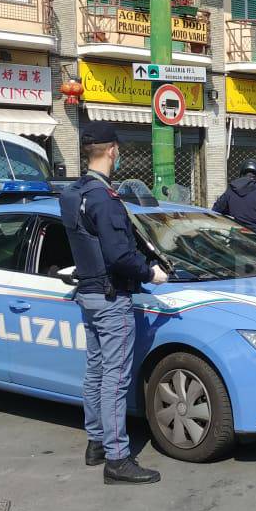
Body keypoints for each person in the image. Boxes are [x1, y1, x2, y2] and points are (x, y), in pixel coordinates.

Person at [59, 121, 168, 485]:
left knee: (95, 369)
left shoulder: (75, 193)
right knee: (116, 378)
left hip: (88, 294)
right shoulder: (105, 199)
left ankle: (96, 442)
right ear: (112, 151)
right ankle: (117, 458)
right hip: (111, 296)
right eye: (118, 150)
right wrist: (151, 274)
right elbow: (121, 255)